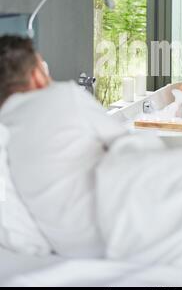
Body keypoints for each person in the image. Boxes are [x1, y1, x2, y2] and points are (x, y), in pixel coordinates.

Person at [0, 35, 127, 257]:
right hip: (118, 231)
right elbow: (128, 146)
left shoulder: (6, 129)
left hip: (67, 245)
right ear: (37, 74)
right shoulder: (65, 96)